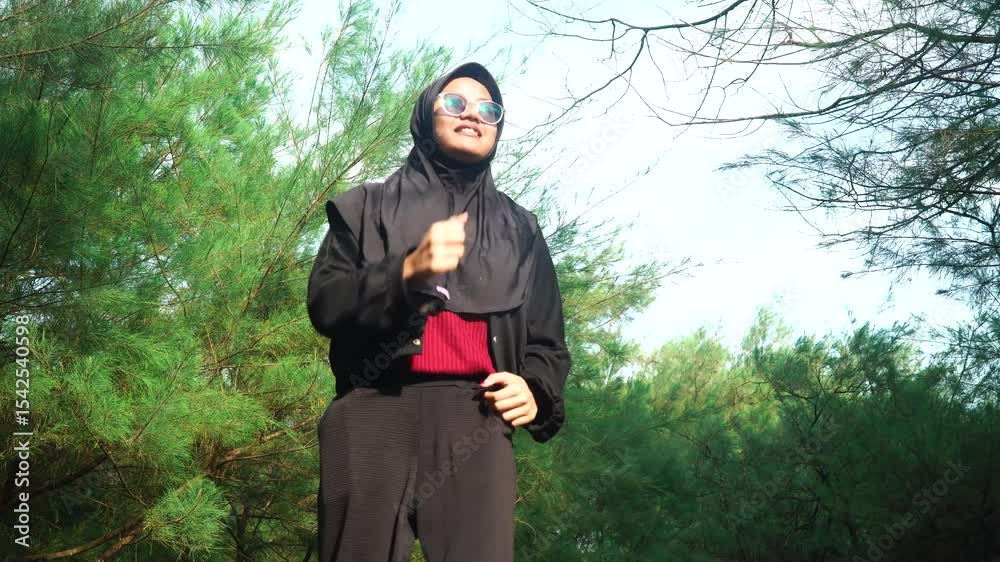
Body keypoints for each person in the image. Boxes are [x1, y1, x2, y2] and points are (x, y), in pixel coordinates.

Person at [306, 61, 571, 562]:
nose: (473, 114)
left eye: (489, 110)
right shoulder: (364, 208)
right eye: (455, 103)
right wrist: (406, 272)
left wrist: (535, 389)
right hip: (371, 412)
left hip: (476, 419)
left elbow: (547, 343)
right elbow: (326, 303)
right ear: (426, 115)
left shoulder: (521, 230)